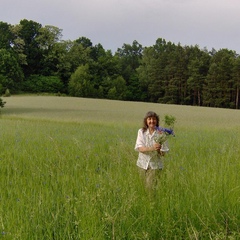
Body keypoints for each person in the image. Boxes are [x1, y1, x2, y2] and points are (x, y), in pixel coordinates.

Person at [134, 111, 169, 190]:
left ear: (157, 121)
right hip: (142, 165)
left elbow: (163, 154)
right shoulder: (141, 132)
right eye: (149, 119)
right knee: (142, 188)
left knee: (151, 188)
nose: (152, 121)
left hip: (155, 166)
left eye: (154, 119)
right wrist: (153, 148)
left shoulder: (162, 133)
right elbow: (140, 148)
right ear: (146, 121)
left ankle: (152, 201)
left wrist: (159, 150)